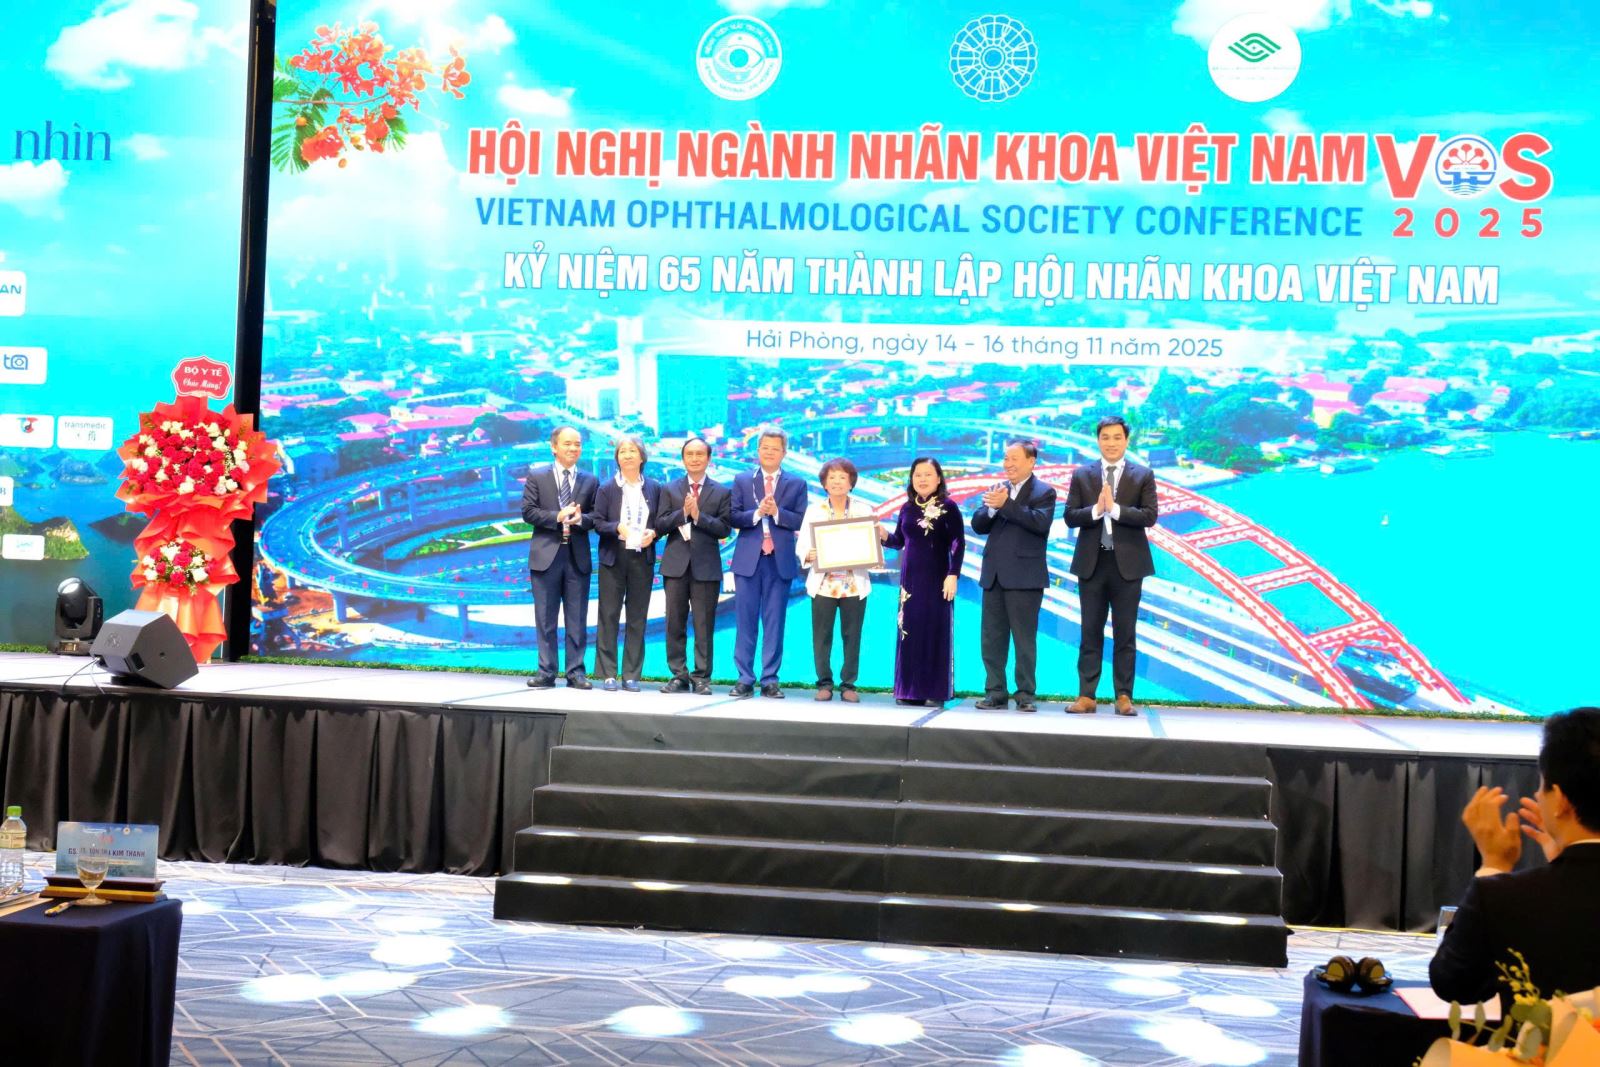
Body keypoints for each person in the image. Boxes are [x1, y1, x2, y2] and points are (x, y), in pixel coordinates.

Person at [1429, 707, 1600, 1007]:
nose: (1538, 796)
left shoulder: (1508, 897)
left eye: (1541, 785)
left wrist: (1494, 866)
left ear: (1561, 800)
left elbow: (1454, 983)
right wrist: (1565, 863)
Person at [1062, 415, 1159, 716]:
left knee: (1125, 633)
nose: (1112, 443)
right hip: (1092, 563)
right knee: (1090, 631)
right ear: (1098, 440)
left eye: (1117, 437)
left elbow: (1149, 516)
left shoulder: (1143, 475)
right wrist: (1096, 510)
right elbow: (1069, 516)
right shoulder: (1082, 474)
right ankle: (1086, 695)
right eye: (1105, 437)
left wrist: (1114, 509)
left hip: (1128, 565)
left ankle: (1124, 696)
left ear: (1126, 441)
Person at [971, 440, 1056, 713]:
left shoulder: (1044, 492)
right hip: (994, 575)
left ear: (1031, 461)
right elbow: (978, 524)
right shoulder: (998, 489)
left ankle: (1025, 694)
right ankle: (995, 692)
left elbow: (1039, 523)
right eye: (1006, 458)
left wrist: (1005, 504)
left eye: (1014, 458)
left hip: (1025, 577)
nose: (1008, 464)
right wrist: (993, 508)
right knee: (991, 639)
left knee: (1024, 639)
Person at [728, 426, 806, 699]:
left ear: (784, 453)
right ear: (758, 451)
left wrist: (776, 512)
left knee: (775, 622)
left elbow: (799, 520)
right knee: (745, 621)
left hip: (779, 561)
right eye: (765, 448)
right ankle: (744, 678)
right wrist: (757, 513)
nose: (769, 453)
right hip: (748, 561)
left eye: (775, 449)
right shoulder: (741, 480)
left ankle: (770, 679)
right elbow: (733, 516)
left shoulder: (796, 483)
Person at [884, 457, 965, 707]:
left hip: (937, 579)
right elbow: (899, 541)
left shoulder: (949, 507)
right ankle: (909, 690)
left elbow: (958, 542)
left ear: (938, 478)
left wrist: (953, 574)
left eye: (928, 474)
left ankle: (934, 691)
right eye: (917, 474)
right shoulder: (906, 508)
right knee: (909, 632)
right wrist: (882, 535)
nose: (922, 479)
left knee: (934, 632)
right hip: (909, 582)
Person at [521, 425, 598, 689]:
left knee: (577, 618)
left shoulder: (590, 480)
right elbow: (528, 512)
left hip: (577, 556)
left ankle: (576, 672)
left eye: (577, 444)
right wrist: (557, 516)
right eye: (567, 443)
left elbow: (596, 517)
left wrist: (581, 519)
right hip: (546, 557)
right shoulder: (537, 476)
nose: (573, 448)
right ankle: (546, 671)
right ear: (554, 447)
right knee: (545, 618)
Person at [796, 458, 878, 702]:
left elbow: (871, 542)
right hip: (824, 585)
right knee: (822, 636)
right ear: (824, 483)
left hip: (854, 585)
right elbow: (802, 545)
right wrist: (808, 554)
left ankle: (848, 684)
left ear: (851, 482)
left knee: (852, 636)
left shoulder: (863, 510)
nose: (837, 482)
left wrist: (872, 553)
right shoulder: (814, 510)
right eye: (832, 477)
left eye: (842, 477)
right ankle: (824, 683)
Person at [656, 437, 732, 695]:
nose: (695, 458)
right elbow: (660, 525)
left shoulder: (721, 492)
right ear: (683, 458)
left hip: (706, 567)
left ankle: (701, 677)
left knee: (703, 624)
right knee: (674, 623)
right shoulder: (669, 489)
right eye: (690, 454)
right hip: (675, 566)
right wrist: (684, 514)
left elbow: (725, 529)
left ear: (708, 458)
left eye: (700, 454)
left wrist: (699, 516)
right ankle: (678, 675)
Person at [590, 436, 661, 692]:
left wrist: (654, 533)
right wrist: (617, 527)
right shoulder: (606, 489)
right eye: (623, 451)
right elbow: (598, 522)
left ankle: (631, 674)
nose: (628, 455)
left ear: (642, 457)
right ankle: (608, 673)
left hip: (642, 557)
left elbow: (660, 521)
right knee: (608, 615)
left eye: (632, 451)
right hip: (614, 557)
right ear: (617, 458)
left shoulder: (654, 487)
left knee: (637, 617)